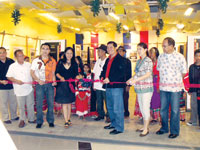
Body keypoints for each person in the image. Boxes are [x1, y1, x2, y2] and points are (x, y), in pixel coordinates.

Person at [156, 37, 187, 139]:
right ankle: (164, 128)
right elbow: (159, 70)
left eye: (165, 46)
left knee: (174, 110)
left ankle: (174, 131)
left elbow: (184, 72)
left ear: (171, 46)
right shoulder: (161, 57)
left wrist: (176, 81)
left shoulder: (180, 57)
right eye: (162, 46)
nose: (163, 48)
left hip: (175, 89)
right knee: (163, 110)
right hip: (163, 88)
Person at [127, 42, 153, 137]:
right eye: (137, 49)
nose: (138, 51)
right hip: (139, 88)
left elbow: (148, 74)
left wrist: (136, 80)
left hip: (146, 88)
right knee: (142, 108)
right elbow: (137, 74)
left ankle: (146, 128)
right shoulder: (139, 61)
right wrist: (131, 79)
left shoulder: (148, 61)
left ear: (145, 50)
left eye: (140, 49)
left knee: (145, 108)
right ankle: (144, 126)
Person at [100, 41, 127, 135]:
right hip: (108, 86)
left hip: (116, 87)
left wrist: (110, 79)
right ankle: (113, 123)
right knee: (110, 107)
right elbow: (104, 71)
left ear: (115, 48)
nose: (109, 49)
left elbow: (121, 74)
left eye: (111, 47)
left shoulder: (120, 59)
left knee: (117, 108)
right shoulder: (108, 59)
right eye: (108, 48)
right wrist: (102, 77)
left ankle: (119, 128)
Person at [31, 43, 57, 128]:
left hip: (49, 85)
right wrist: (38, 80)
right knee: (39, 104)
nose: (45, 50)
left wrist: (54, 81)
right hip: (39, 85)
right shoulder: (36, 61)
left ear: (49, 50)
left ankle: (50, 121)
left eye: (47, 49)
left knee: (50, 103)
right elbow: (32, 72)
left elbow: (53, 73)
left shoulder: (53, 61)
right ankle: (39, 121)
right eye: (43, 48)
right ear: (41, 49)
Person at [6, 50, 35, 128]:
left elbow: (32, 74)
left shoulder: (28, 65)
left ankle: (31, 119)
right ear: (15, 57)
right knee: (21, 106)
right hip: (19, 90)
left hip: (29, 88)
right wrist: (16, 81)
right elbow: (9, 76)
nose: (22, 57)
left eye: (22, 55)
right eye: (20, 56)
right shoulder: (12, 66)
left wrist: (34, 82)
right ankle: (22, 120)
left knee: (30, 104)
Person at [55, 47, 78, 128]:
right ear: (65, 53)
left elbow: (76, 74)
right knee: (64, 103)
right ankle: (66, 120)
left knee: (69, 103)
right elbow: (56, 72)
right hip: (62, 86)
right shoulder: (60, 62)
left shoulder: (74, 63)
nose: (69, 55)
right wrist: (61, 77)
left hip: (71, 85)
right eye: (67, 53)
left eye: (71, 53)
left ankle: (68, 119)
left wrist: (79, 77)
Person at [0, 47, 18, 124]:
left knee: (13, 102)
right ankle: (5, 118)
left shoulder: (11, 61)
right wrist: (0, 81)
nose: (2, 54)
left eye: (3, 52)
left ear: (6, 53)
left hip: (12, 86)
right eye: (0, 52)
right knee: (3, 103)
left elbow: (17, 72)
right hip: (1, 87)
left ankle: (14, 116)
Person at [93, 44, 109, 122]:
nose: (98, 52)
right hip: (97, 85)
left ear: (104, 52)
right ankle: (100, 114)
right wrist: (94, 85)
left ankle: (108, 115)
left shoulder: (107, 60)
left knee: (107, 101)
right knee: (99, 101)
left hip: (104, 85)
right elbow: (95, 73)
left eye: (99, 51)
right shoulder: (97, 61)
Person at [117, 46, 132, 118]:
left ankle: (126, 112)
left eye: (121, 51)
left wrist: (128, 85)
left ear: (124, 52)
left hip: (125, 83)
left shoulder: (127, 61)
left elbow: (129, 73)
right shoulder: (115, 61)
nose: (119, 52)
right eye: (118, 51)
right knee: (118, 99)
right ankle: (119, 112)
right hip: (117, 84)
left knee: (125, 98)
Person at [187, 49, 200, 127]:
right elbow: (190, 79)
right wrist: (190, 89)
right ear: (194, 57)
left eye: (199, 55)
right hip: (194, 89)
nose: (198, 57)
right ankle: (193, 121)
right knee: (194, 105)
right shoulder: (191, 67)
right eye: (196, 56)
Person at [148, 47, 161, 123]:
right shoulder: (149, 62)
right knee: (151, 99)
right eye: (150, 52)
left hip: (157, 81)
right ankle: (151, 116)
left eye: (152, 52)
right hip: (150, 81)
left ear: (156, 53)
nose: (151, 54)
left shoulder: (159, 61)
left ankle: (157, 116)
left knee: (157, 99)